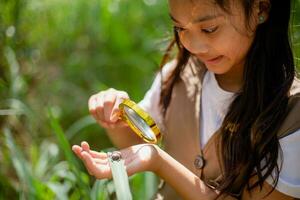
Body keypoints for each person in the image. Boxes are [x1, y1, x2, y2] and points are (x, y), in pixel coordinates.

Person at [72, 0, 300, 199]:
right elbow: (134, 146)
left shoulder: (291, 114)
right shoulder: (179, 76)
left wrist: (160, 163)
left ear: (260, 8)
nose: (192, 45)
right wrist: (116, 118)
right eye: (180, 27)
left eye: (209, 29)